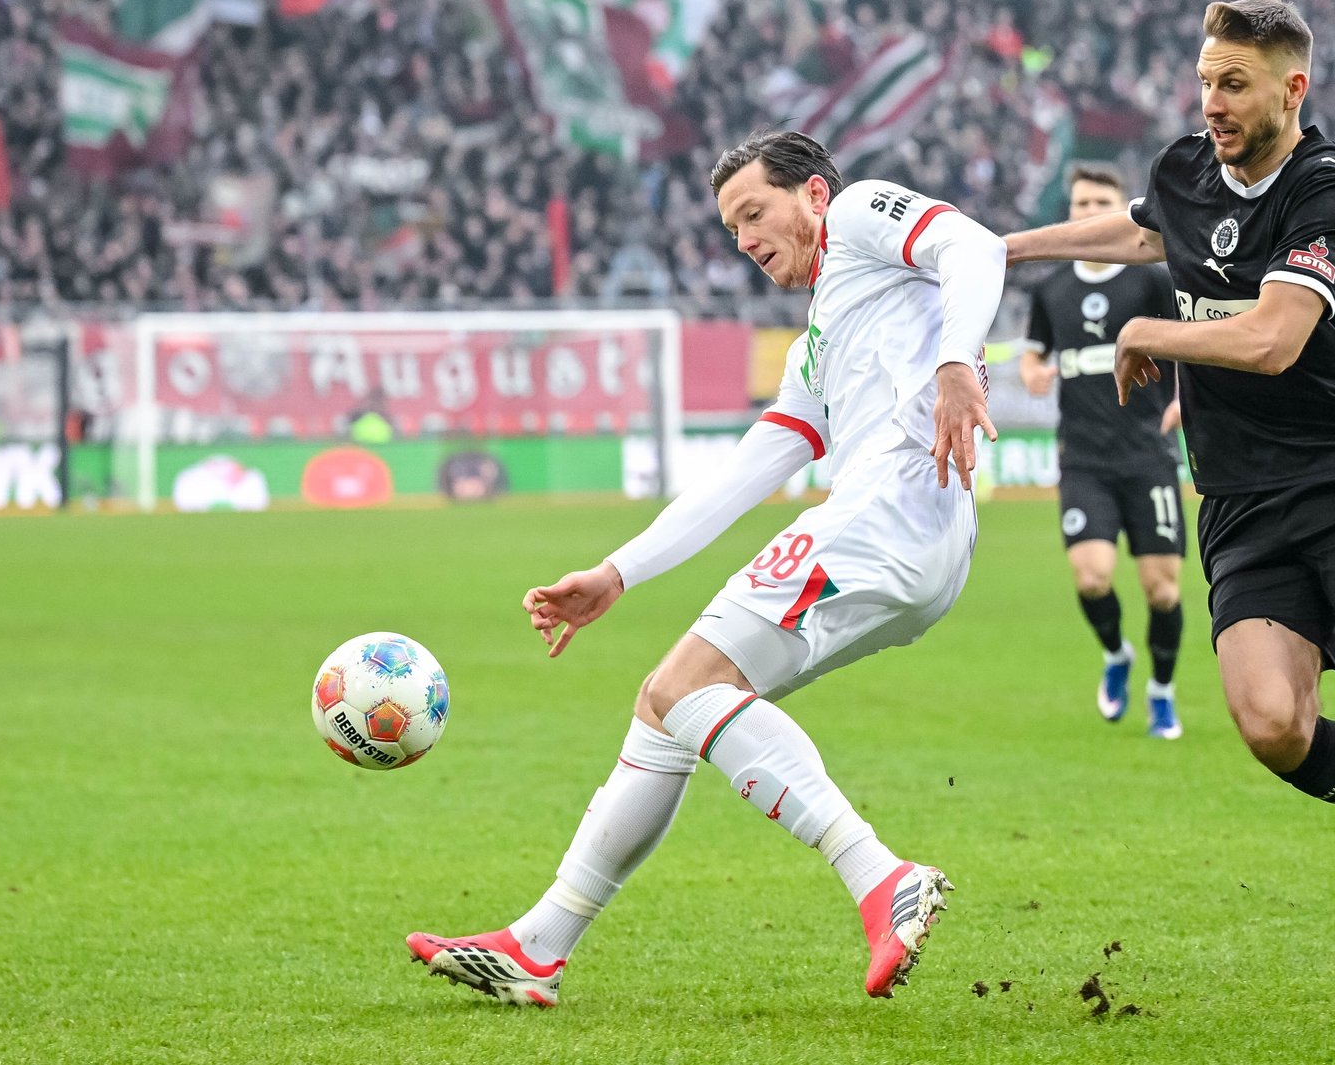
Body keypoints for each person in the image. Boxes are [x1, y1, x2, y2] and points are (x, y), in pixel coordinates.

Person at [1005, 0, 1335, 1028]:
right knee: (1270, 724)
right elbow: (1132, 229)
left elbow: (1270, 339)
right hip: (1241, 501)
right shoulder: (1185, 168)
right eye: (1204, 80)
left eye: (1233, 84)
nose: (1210, 102)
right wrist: (1006, 248)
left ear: (1291, 90)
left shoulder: (1324, 193)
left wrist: (1152, 331)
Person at [406, 132, 1006, 1006]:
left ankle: (881, 874)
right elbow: (745, 473)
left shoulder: (861, 211)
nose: (745, 240)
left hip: (886, 514)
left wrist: (956, 363)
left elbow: (975, 244)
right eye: (730, 229)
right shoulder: (823, 340)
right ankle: (540, 946)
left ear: (811, 194)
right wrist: (619, 571)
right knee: (665, 705)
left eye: (754, 213)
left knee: (690, 685)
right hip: (916, 540)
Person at [1018, 164, 1188, 738]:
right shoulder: (1052, 289)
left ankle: (1161, 690)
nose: (1090, 212)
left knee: (1162, 589)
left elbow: (1195, 347)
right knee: (1092, 578)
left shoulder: (1152, 282)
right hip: (1084, 460)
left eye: (1102, 204)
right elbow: (1033, 351)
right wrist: (1032, 370)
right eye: (1082, 203)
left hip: (1148, 456)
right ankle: (1116, 654)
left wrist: (1186, 397)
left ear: (1125, 211)